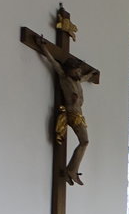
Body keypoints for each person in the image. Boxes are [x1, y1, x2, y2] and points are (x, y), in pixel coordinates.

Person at [36, 35, 97, 186]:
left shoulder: (77, 80)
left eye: (79, 71)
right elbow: (52, 61)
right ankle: (71, 170)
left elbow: (84, 77)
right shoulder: (64, 77)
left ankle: (72, 169)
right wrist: (43, 47)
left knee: (85, 142)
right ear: (70, 70)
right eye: (77, 70)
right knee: (85, 141)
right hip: (72, 114)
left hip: (79, 115)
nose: (78, 73)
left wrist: (90, 74)